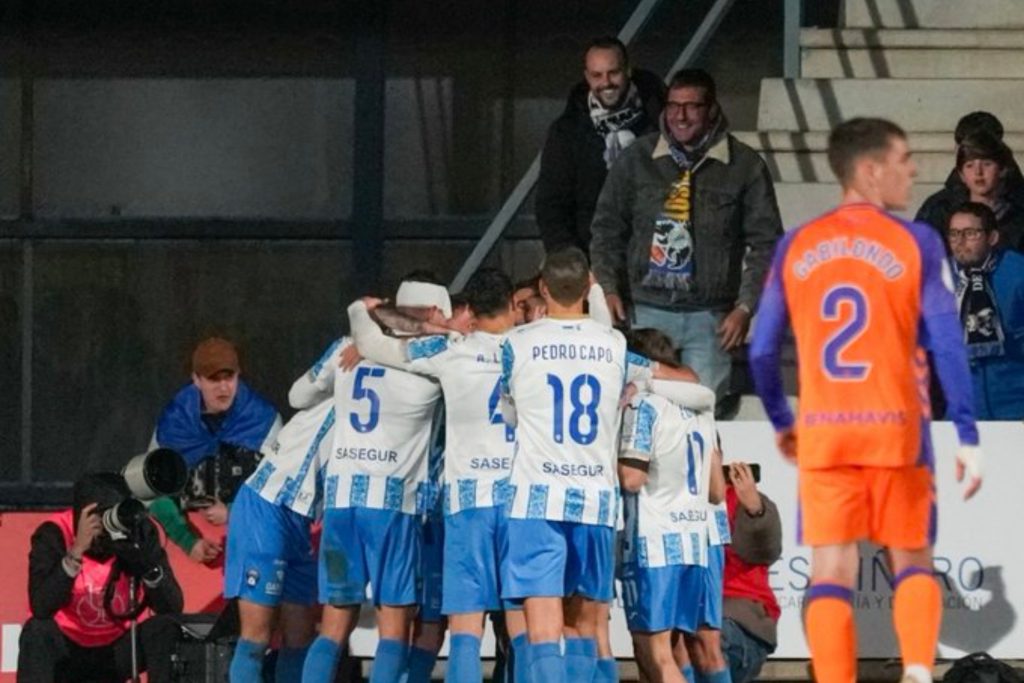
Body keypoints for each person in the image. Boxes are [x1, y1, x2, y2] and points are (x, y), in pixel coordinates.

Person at [750, 117, 983, 683]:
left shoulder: (797, 244)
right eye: (904, 158)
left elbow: (760, 350)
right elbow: (950, 344)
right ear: (871, 169)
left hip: (827, 429)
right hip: (896, 428)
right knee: (912, 557)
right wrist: (968, 433)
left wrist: (783, 419)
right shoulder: (915, 242)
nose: (913, 169)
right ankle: (920, 671)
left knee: (831, 566)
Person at [498, 247, 677, 683]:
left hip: (537, 498)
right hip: (595, 501)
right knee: (584, 625)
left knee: (542, 627)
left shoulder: (516, 343)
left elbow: (509, 415)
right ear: (587, 287)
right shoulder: (614, 345)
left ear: (542, 288)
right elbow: (648, 383)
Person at [348, 267, 529, 683]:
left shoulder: (451, 350)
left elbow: (376, 345)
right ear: (510, 306)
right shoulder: (532, 347)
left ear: (470, 309)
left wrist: (363, 310)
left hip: (467, 504)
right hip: (520, 502)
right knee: (523, 627)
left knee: (465, 630)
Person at [590, 68, 782, 406]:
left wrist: (746, 307)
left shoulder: (745, 166)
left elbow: (767, 243)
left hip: (709, 319)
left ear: (711, 110)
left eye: (691, 106)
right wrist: (608, 286)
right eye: (673, 105)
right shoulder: (637, 158)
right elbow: (607, 227)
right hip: (645, 311)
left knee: (702, 418)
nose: (680, 116)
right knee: (638, 413)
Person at [300, 276, 449, 683]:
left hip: (341, 501)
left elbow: (299, 396)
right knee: (394, 624)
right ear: (435, 313)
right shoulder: (431, 363)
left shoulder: (351, 353)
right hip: (392, 504)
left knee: (333, 623)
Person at [618, 328, 726, 683]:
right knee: (679, 649)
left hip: (655, 541)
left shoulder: (644, 406)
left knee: (658, 654)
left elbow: (632, 479)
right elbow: (716, 490)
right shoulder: (700, 411)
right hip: (694, 539)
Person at [18, 473, 183, 683]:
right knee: (37, 631)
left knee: (164, 628)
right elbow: (41, 606)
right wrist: (76, 553)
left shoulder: (137, 529)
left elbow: (172, 606)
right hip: (69, 648)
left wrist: (145, 561)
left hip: (117, 649)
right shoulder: (55, 532)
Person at [224, 396, 335, 682]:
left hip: (301, 518)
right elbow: (299, 392)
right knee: (256, 635)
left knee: (300, 637)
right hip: (267, 504)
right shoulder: (348, 363)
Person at [149, 336, 282, 564]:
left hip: (253, 545)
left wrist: (232, 512)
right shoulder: (174, 421)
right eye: (213, 379)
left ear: (238, 375)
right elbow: (150, 492)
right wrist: (188, 541)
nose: (223, 387)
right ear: (196, 380)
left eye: (229, 377)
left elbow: (280, 492)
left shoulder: (263, 420)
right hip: (190, 554)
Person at [536, 36, 665, 255]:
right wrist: (571, 259)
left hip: (656, 258)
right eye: (597, 75)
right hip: (591, 260)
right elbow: (552, 204)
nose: (606, 82)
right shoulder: (567, 130)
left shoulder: (664, 122)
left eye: (613, 72)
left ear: (628, 71)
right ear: (587, 77)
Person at [946, 202, 1024, 419]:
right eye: (954, 234)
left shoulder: (1018, 273)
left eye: (970, 233)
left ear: (992, 238)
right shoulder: (939, 278)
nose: (960, 242)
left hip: (1015, 407)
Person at [719, 462, 781, 683]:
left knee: (711, 637)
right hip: (690, 617)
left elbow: (766, 551)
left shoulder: (740, 501)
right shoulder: (672, 501)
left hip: (739, 621)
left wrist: (755, 510)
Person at [915, 130, 1024, 251]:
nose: (978, 172)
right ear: (961, 175)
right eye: (969, 165)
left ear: (1002, 170)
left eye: (987, 164)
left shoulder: (1018, 217)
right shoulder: (941, 211)